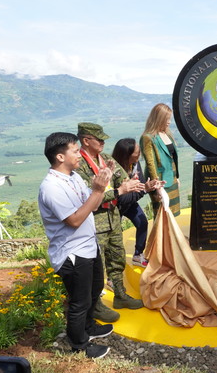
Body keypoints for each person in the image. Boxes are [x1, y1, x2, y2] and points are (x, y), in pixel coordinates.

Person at [37, 132, 114, 359]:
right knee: (79, 302)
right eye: (75, 150)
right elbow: (74, 220)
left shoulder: (74, 177)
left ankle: (88, 327)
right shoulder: (51, 187)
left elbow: (93, 204)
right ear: (60, 156)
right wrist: (98, 190)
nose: (80, 154)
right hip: (72, 252)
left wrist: (103, 183)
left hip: (88, 246)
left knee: (94, 290)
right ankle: (79, 345)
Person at [75, 122, 145, 311]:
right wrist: (118, 190)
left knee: (117, 258)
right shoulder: (79, 165)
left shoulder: (106, 159)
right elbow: (89, 196)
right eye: (99, 139)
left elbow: (123, 180)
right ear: (86, 140)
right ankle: (95, 305)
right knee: (96, 264)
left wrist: (139, 185)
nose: (103, 143)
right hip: (94, 222)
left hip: (113, 217)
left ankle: (120, 295)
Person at [112, 138, 162, 268]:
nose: (139, 156)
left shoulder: (134, 164)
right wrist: (144, 189)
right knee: (115, 236)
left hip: (130, 202)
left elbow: (142, 184)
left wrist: (150, 186)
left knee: (142, 223)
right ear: (126, 156)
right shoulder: (114, 170)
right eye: (137, 154)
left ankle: (138, 254)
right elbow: (121, 199)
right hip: (114, 208)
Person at [140, 103, 180, 218]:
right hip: (160, 181)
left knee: (173, 213)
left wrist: (177, 177)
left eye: (169, 119)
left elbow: (173, 157)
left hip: (172, 178)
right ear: (158, 118)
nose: (169, 122)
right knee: (162, 214)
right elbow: (150, 163)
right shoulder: (148, 137)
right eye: (166, 119)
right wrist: (157, 185)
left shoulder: (167, 134)